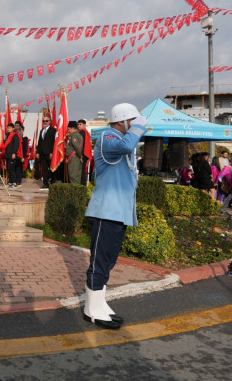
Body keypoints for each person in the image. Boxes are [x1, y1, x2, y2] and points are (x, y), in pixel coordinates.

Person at [83, 102, 147, 329]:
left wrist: (134, 129)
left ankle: (100, 303)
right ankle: (91, 309)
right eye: (133, 120)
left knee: (108, 261)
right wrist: (138, 128)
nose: (137, 124)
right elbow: (128, 145)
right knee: (99, 261)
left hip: (118, 212)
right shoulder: (108, 138)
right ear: (122, 121)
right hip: (106, 211)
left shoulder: (121, 140)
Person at [36, 115, 56, 190]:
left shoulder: (53, 130)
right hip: (42, 153)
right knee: (44, 169)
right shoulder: (42, 131)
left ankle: (52, 182)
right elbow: (40, 142)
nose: (45, 122)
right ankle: (45, 183)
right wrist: (38, 152)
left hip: (50, 153)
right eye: (43, 121)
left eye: (46, 121)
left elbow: (54, 142)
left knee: (52, 168)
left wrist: (52, 152)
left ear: (50, 121)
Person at [1, 123, 21, 188]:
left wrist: (14, 153)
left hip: (12, 155)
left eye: (10, 128)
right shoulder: (7, 136)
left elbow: (16, 145)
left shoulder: (15, 136)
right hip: (7, 155)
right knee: (8, 168)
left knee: (12, 169)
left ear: (13, 129)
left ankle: (14, 183)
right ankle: (10, 182)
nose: (8, 129)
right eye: (8, 128)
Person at [77, 119, 92, 185]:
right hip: (84, 154)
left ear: (84, 125)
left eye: (80, 124)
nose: (79, 126)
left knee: (81, 171)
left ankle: (82, 185)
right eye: (78, 124)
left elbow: (81, 145)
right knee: (82, 171)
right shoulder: (85, 132)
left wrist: (81, 155)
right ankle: (82, 185)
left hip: (82, 154)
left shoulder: (82, 132)